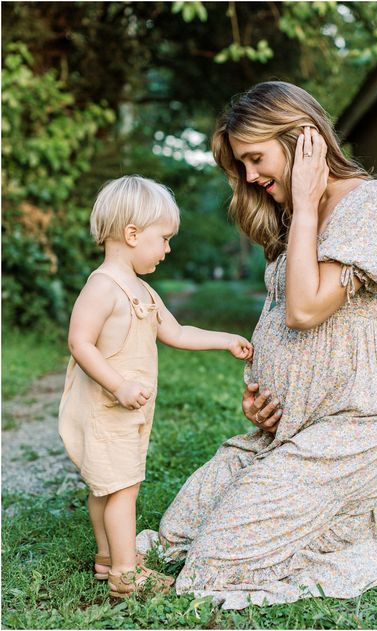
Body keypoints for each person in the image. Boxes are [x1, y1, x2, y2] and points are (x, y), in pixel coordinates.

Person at [136, 81, 377, 610]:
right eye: (240, 166)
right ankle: (361, 505)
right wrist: (266, 398)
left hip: (354, 426)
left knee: (215, 565)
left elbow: (306, 309)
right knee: (174, 537)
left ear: (301, 139)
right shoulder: (292, 220)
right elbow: (281, 324)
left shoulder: (372, 204)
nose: (249, 177)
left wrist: (309, 204)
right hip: (286, 428)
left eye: (254, 158)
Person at [58, 175, 253, 599]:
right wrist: (118, 385)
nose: (167, 249)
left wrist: (224, 339)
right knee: (120, 490)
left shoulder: (142, 289)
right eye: (163, 239)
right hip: (108, 408)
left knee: (107, 487)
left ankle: (107, 558)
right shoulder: (102, 288)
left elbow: (178, 332)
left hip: (128, 412)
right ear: (132, 234)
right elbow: (80, 342)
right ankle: (126, 577)